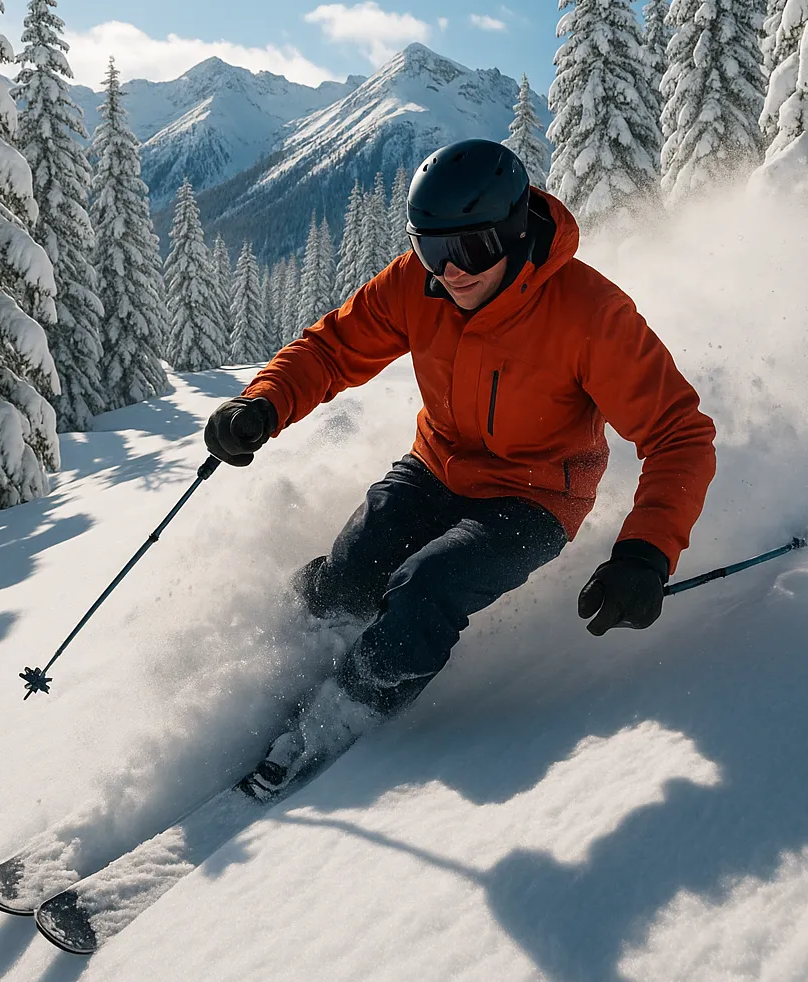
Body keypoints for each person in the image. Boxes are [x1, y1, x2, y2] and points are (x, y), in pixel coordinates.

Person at [205, 139, 716, 794]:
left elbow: (679, 434)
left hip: (536, 498)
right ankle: (300, 657)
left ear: (513, 232)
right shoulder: (419, 286)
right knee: (353, 573)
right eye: (432, 249)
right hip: (436, 465)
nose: (451, 271)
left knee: (425, 588)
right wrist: (263, 403)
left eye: (469, 251)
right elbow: (333, 349)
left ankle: (341, 712)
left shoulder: (591, 316)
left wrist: (645, 554)